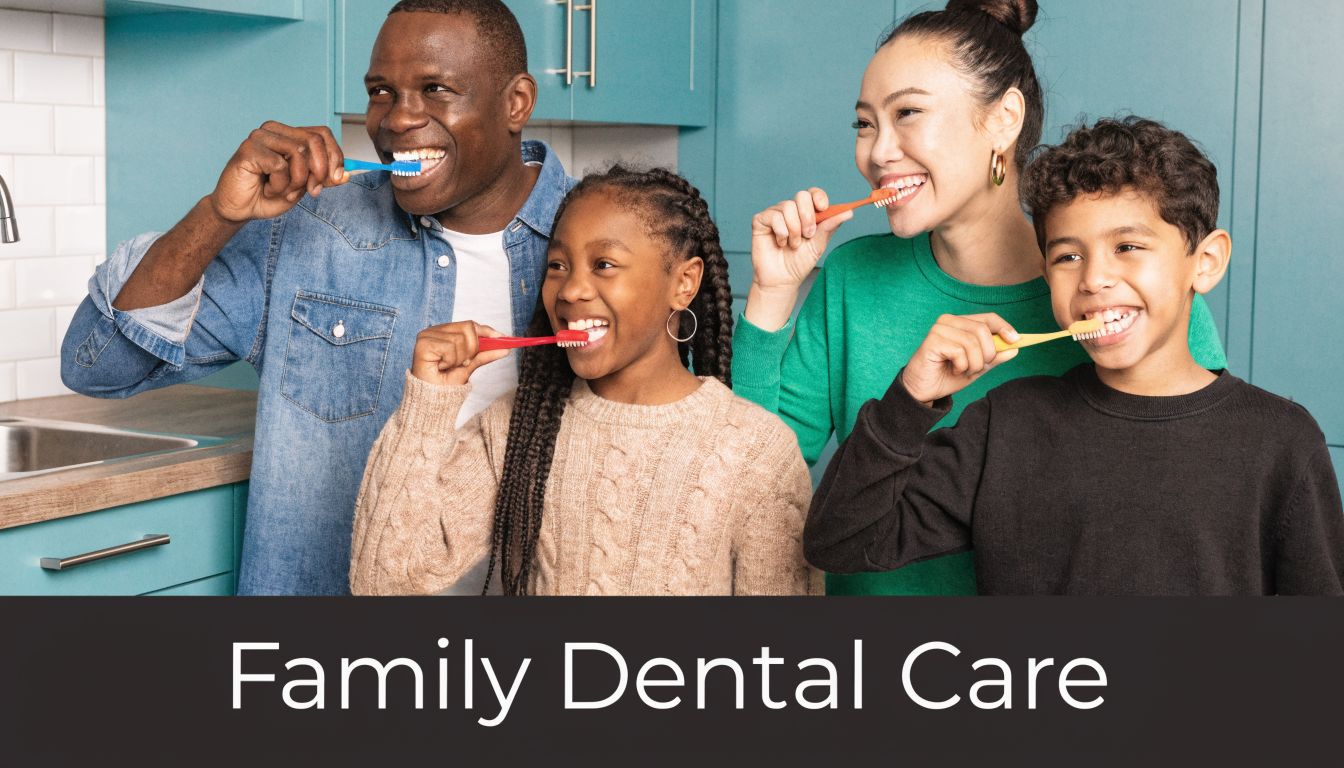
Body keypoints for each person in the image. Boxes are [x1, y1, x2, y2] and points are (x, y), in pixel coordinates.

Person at [59, 0, 573, 595]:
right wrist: (219, 214)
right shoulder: (307, 231)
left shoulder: (604, 243)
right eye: (380, 91)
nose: (398, 118)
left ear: (516, 103)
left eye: (435, 89)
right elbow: (97, 367)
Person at [732, 0, 1228, 595]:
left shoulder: (1131, 304)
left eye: (908, 113)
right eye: (865, 124)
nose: (878, 152)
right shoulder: (851, 278)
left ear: (1003, 119)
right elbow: (751, 492)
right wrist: (773, 292)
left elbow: (1193, 501)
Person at [805, 117, 1344, 595]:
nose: (1094, 279)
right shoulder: (1006, 423)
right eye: (1068, 256)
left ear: (1205, 262)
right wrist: (910, 398)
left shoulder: (1281, 442)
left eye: (1128, 247)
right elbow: (842, 542)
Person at [350, 167, 817, 596]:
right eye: (558, 266)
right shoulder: (519, 428)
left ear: (684, 283)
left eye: (604, 264)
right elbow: (384, 581)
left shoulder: (758, 452)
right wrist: (429, 400)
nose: (570, 289)